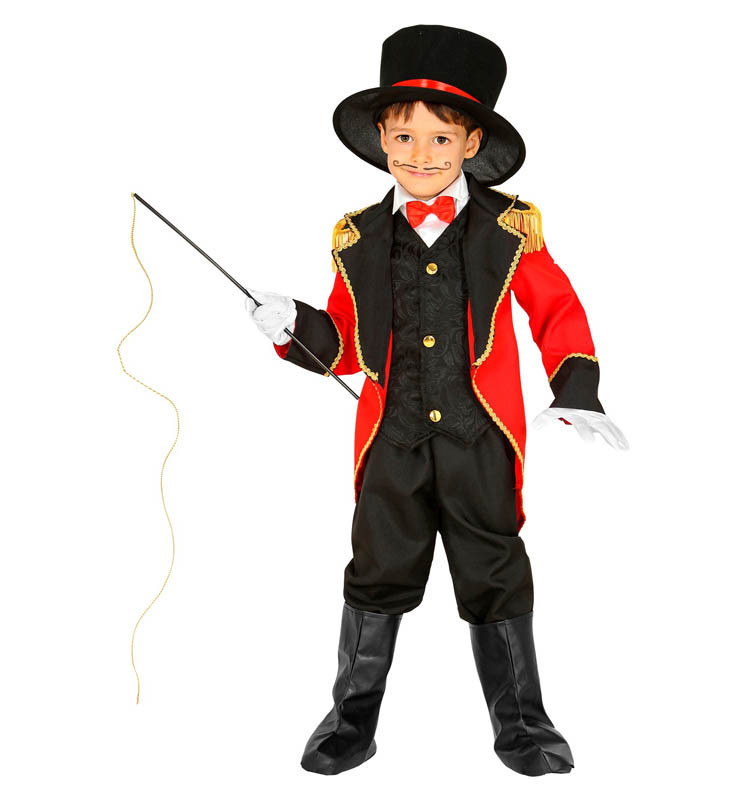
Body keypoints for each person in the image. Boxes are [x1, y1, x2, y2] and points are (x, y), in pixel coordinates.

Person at [244, 24, 628, 777]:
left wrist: (577, 388)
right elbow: (345, 347)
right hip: (390, 443)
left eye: (441, 139)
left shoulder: (508, 229)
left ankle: (523, 725)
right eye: (404, 137)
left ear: (471, 143)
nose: (420, 156)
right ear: (381, 139)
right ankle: (350, 722)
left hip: (481, 440)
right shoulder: (357, 238)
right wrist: (292, 326)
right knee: (375, 570)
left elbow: (557, 310)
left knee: (495, 572)